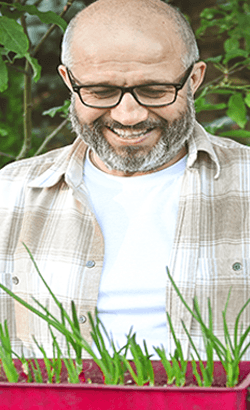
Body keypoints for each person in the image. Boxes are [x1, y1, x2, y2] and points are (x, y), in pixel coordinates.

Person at [0, 0, 250, 360]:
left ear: (194, 80)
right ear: (69, 82)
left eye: (155, 90)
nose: (128, 115)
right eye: (101, 92)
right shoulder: (10, 195)